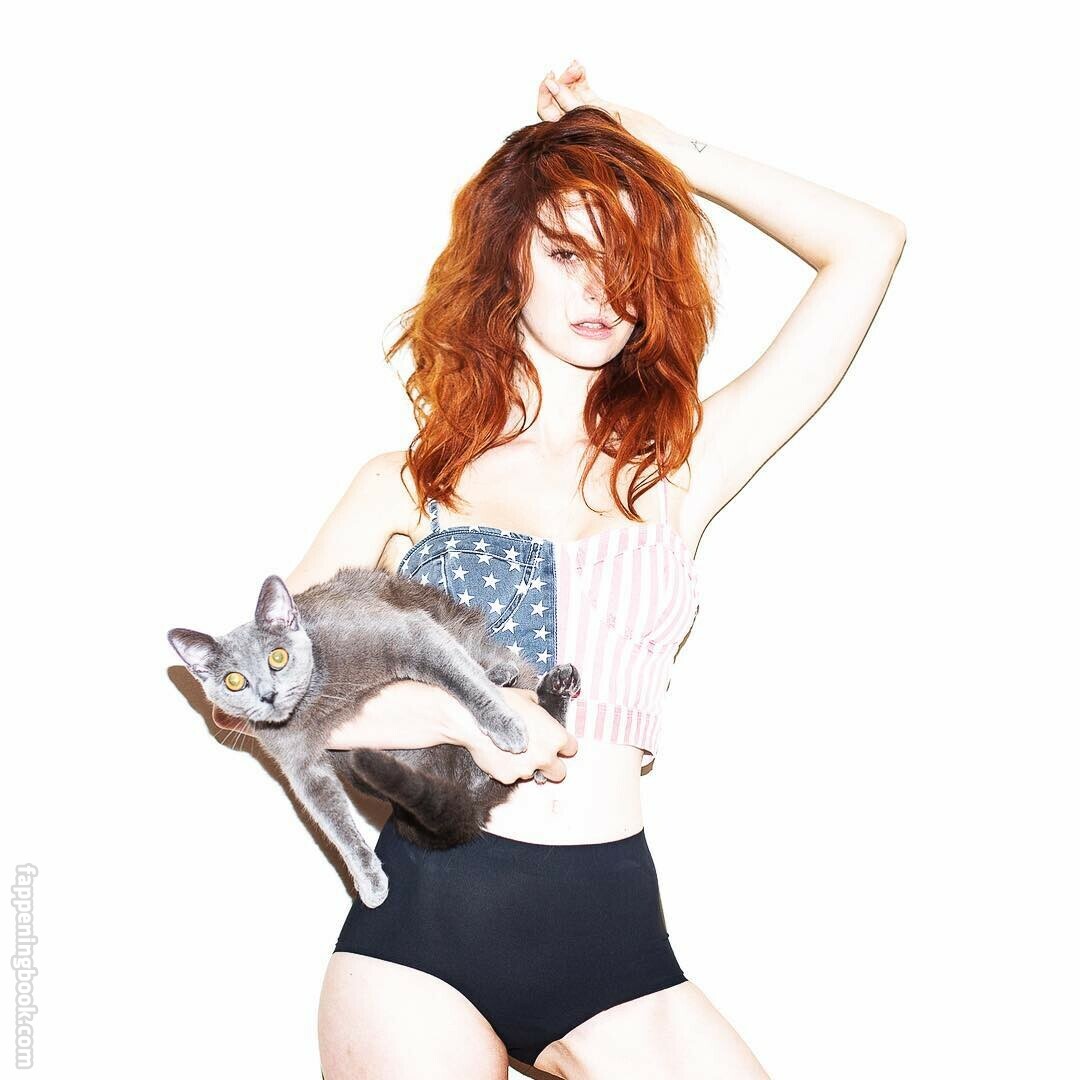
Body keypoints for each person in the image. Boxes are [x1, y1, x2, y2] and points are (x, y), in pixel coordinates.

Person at [216, 59, 905, 1079]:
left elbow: (868, 244)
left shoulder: (676, 470)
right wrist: (459, 714)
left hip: (613, 926)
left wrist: (657, 143)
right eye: (568, 250)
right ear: (510, 260)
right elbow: (250, 697)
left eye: (629, 258)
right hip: (421, 937)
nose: (602, 288)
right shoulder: (408, 483)